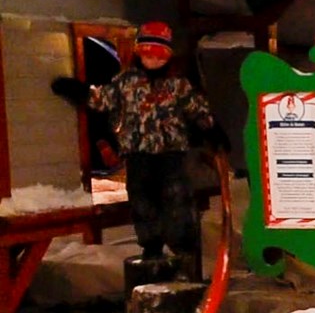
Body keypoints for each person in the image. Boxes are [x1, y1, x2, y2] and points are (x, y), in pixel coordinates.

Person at [51, 21, 229, 277]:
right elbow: (102, 99)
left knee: (176, 197)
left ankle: (183, 249)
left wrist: (212, 130)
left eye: (160, 54)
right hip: (137, 154)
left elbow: (197, 109)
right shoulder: (126, 82)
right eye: (148, 52)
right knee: (142, 200)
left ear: (168, 56)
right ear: (138, 53)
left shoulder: (178, 84)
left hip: (171, 153)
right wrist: (79, 90)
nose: (153, 59)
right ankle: (151, 247)